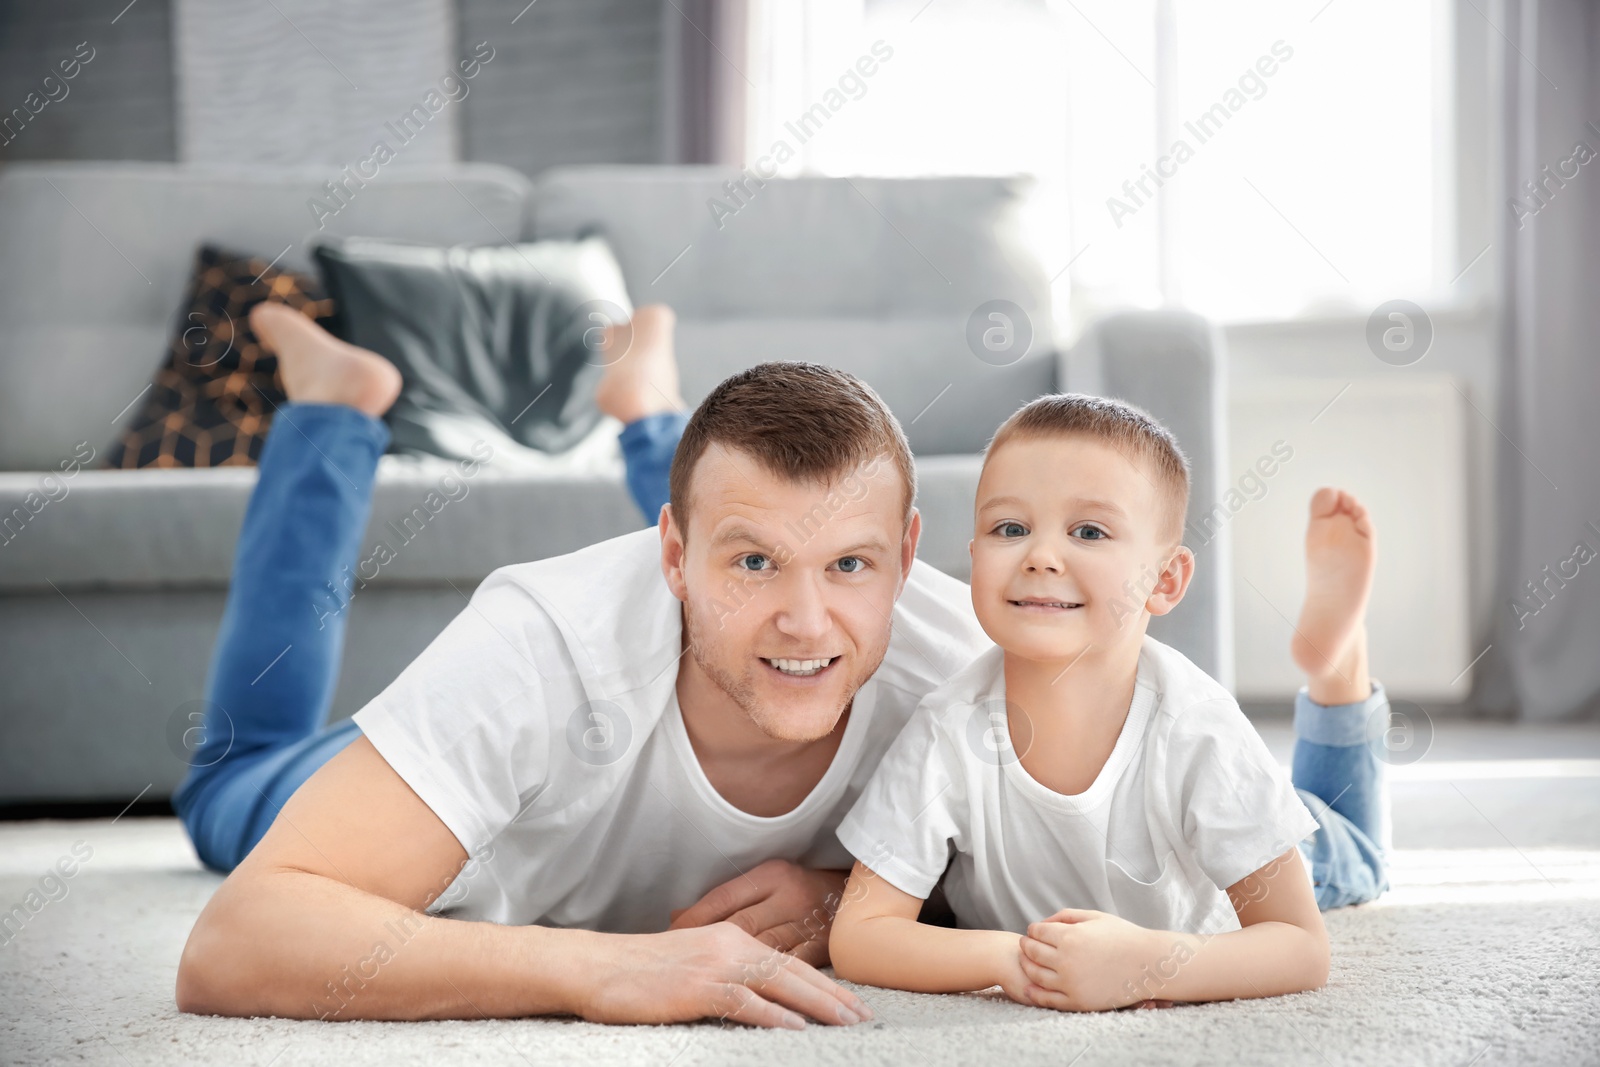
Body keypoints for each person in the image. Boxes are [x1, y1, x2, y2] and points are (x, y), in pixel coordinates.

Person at [173, 302, 986, 1029]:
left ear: (907, 555)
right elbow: (235, 940)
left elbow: (1078, 884)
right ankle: (331, 412)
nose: (808, 624)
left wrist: (863, 898)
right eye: (754, 564)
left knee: (736, 523)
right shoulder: (535, 654)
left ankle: (647, 409)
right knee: (228, 781)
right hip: (458, 778)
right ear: (672, 555)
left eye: (850, 565)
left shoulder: (966, 676)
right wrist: (602, 966)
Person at [830, 393, 1390, 1011]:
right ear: (973, 561)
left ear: (1166, 580)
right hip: (1201, 822)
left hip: (1235, 846)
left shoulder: (1199, 729)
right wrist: (1013, 959)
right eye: (1009, 529)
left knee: (1355, 856)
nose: (1040, 557)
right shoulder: (945, 728)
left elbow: (1300, 947)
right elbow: (859, 936)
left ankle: (1341, 678)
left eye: (1089, 531)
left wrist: (1152, 968)